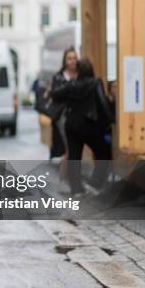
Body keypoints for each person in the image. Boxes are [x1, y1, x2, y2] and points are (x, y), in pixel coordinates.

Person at [52, 58, 113, 195]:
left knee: (74, 156)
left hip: (71, 124)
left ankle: (76, 189)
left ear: (78, 70)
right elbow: (102, 104)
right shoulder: (96, 82)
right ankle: (95, 183)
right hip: (88, 124)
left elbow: (56, 94)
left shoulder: (71, 84)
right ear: (91, 69)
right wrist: (110, 120)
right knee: (104, 152)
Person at [45, 47, 78, 161]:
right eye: (69, 58)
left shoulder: (81, 75)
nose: (72, 61)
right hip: (62, 115)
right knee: (67, 145)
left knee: (74, 146)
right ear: (65, 60)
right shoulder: (58, 76)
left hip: (78, 116)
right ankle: (67, 172)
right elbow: (55, 94)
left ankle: (68, 171)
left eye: (74, 58)